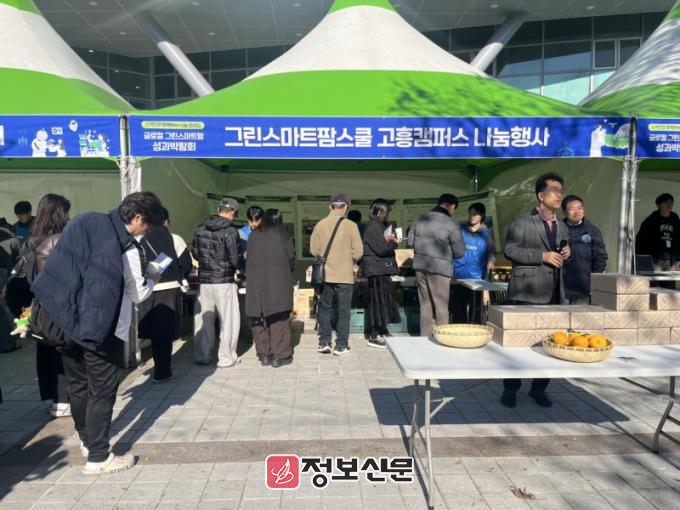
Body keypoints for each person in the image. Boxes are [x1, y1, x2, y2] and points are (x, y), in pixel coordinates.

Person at [31, 192, 164, 475]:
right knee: (102, 391)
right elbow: (138, 294)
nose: (145, 232)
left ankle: (85, 440)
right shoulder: (127, 247)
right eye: (146, 226)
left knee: (78, 387)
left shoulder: (85, 222)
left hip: (67, 323)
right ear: (137, 218)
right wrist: (152, 278)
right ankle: (99, 457)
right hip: (103, 331)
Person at [502, 173, 571, 409]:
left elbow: (561, 255)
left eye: (561, 190)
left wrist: (567, 253)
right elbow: (510, 250)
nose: (559, 194)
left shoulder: (562, 225)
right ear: (541, 195)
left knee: (549, 343)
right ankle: (510, 389)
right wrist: (542, 256)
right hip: (526, 291)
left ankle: (539, 389)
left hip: (554, 293)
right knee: (519, 343)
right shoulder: (523, 220)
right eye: (554, 190)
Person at [28, 194, 73, 417]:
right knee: (61, 348)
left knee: (44, 347)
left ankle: (50, 397)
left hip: (38, 304)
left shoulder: (31, 239)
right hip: (58, 304)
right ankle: (63, 399)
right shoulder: (60, 240)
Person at [138, 208, 192, 383]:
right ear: (166, 221)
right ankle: (163, 371)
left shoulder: (140, 240)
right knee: (165, 331)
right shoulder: (174, 238)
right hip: (170, 289)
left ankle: (159, 369)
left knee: (154, 331)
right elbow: (186, 263)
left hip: (148, 289)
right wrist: (180, 276)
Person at [191, 197, 243, 367]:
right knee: (229, 320)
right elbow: (235, 259)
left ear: (219, 210)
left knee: (204, 319)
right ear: (233, 213)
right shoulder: (230, 231)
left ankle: (202, 355)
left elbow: (196, 253)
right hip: (224, 280)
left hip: (205, 281)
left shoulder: (200, 228)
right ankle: (226, 357)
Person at [310, 193, 363, 356]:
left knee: (325, 307)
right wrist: (348, 259)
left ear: (330, 206)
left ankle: (324, 342)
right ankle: (341, 345)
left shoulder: (320, 225)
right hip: (345, 275)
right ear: (346, 207)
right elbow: (358, 252)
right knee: (343, 310)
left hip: (325, 275)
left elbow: (313, 250)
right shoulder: (351, 226)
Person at [408, 193, 466, 337]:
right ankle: (443, 338)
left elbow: (410, 239)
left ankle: (425, 337)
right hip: (440, 268)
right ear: (452, 206)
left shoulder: (421, 218)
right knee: (441, 307)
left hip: (420, 266)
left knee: (425, 304)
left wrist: (419, 250)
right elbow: (459, 251)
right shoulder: (451, 224)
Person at [246, 209, 295, 367]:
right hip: (278, 281)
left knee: (258, 316)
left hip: (255, 282)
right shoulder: (283, 234)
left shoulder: (253, 235)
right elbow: (291, 257)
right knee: (278, 317)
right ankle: (280, 355)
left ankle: (264, 355)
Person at [361, 199, 400, 348]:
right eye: (386, 212)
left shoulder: (377, 226)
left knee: (383, 301)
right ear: (379, 212)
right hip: (376, 269)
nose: (387, 215)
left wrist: (389, 240)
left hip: (379, 269)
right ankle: (374, 335)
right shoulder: (374, 226)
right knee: (378, 302)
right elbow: (382, 249)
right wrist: (394, 242)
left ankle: (381, 329)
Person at [452, 203, 496, 323]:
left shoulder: (487, 232)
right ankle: (458, 330)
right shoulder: (460, 229)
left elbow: (491, 250)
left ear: (482, 215)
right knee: (458, 308)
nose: (472, 216)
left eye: (475, 214)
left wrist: (491, 261)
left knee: (476, 308)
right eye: (470, 213)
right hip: (460, 275)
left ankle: (475, 329)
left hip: (477, 276)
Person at [562, 195, 608, 304]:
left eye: (580, 208)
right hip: (561, 287)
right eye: (572, 209)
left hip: (583, 286)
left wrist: (594, 283)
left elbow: (600, 258)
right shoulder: (558, 229)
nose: (577, 212)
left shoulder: (593, 231)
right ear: (564, 212)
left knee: (581, 314)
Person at [636, 193, 680, 271]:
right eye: (666, 202)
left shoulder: (675, 220)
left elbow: (678, 239)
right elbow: (641, 239)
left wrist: (678, 258)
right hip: (655, 260)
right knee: (655, 278)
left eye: (671, 202)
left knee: (671, 278)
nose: (669, 204)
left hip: (671, 260)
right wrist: (644, 258)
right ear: (658, 205)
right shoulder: (651, 220)